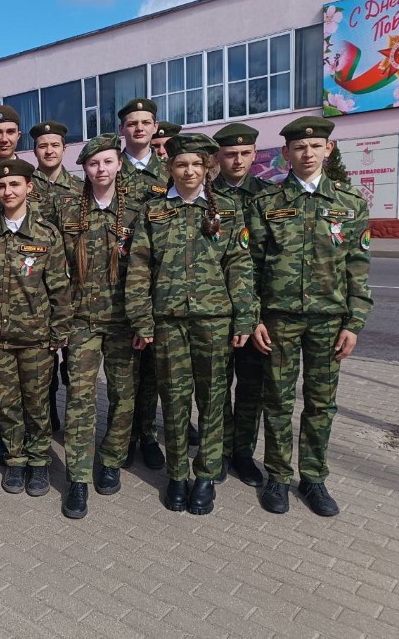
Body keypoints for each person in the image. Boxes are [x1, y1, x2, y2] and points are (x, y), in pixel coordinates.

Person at [126, 133, 257, 516]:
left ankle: (206, 475)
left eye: (196, 164)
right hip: (168, 322)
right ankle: (178, 474)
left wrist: (244, 315)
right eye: (181, 164)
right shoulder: (153, 211)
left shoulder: (227, 210)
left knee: (213, 399)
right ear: (170, 167)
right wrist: (142, 319)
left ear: (207, 168)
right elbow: (138, 268)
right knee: (174, 400)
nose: (189, 171)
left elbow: (239, 264)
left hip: (214, 321)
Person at [249, 116, 373, 517]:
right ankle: (278, 476)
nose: (308, 153)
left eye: (315, 146)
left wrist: (354, 324)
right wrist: (254, 318)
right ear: (286, 152)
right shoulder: (266, 203)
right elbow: (250, 267)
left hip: (329, 322)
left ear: (328, 149)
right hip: (279, 320)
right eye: (299, 147)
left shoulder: (350, 203)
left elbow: (358, 268)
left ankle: (314, 477)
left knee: (321, 403)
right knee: (277, 401)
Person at [0, 159, 72, 496]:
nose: (8, 191)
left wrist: (59, 332)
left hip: (35, 337)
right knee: (5, 403)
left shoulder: (46, 233)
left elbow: (59, 288)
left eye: (15, 184)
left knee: (37, 403)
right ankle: (15, 459)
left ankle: (39, 460)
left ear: (29, 187)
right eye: (1, 186)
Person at [57, 133, 141, 519]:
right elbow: (57, 266)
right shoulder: (69, 209)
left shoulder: (137, 210)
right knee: (80, 397)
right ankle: (78, 477)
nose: (101, 169)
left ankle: (110, 459)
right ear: (85, 169)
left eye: (107, 161)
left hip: (124, 321)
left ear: (119, 165)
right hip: (82, 321)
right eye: (93, 163)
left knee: (124, 396)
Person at [212, 122, 271, 486]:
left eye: (244, 154)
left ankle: (243, 454)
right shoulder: (203, 195)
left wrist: (258, 314)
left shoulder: (270, 197)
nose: (237, 160)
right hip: (215, 309)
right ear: (217, 157)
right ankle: (218, 451)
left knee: (251, 387)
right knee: (216, 387)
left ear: (254, 154)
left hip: (257, 312)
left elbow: (275, 261)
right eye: (230, 154)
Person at [116, 98, 168, 471]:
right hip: (115, 286)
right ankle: (124, 437)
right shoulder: (109, 168)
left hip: (156, 286)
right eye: (132, 123)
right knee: (124, 372)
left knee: (150, 370)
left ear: (155, 127)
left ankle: (147, 433)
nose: (138, 128)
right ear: (123, 129)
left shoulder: (169, 173)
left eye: (145, 122)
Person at [30, 120, 84, 433]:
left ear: (65, 149)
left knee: (74, 361)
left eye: (54, 145)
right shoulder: (25, 186)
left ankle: (75, 425)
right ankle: (47, 416)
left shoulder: (79, 188)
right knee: (43, 364)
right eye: (42, 146)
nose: (49, 151)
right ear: (35, 150)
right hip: (36, 289)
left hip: (74, 289)